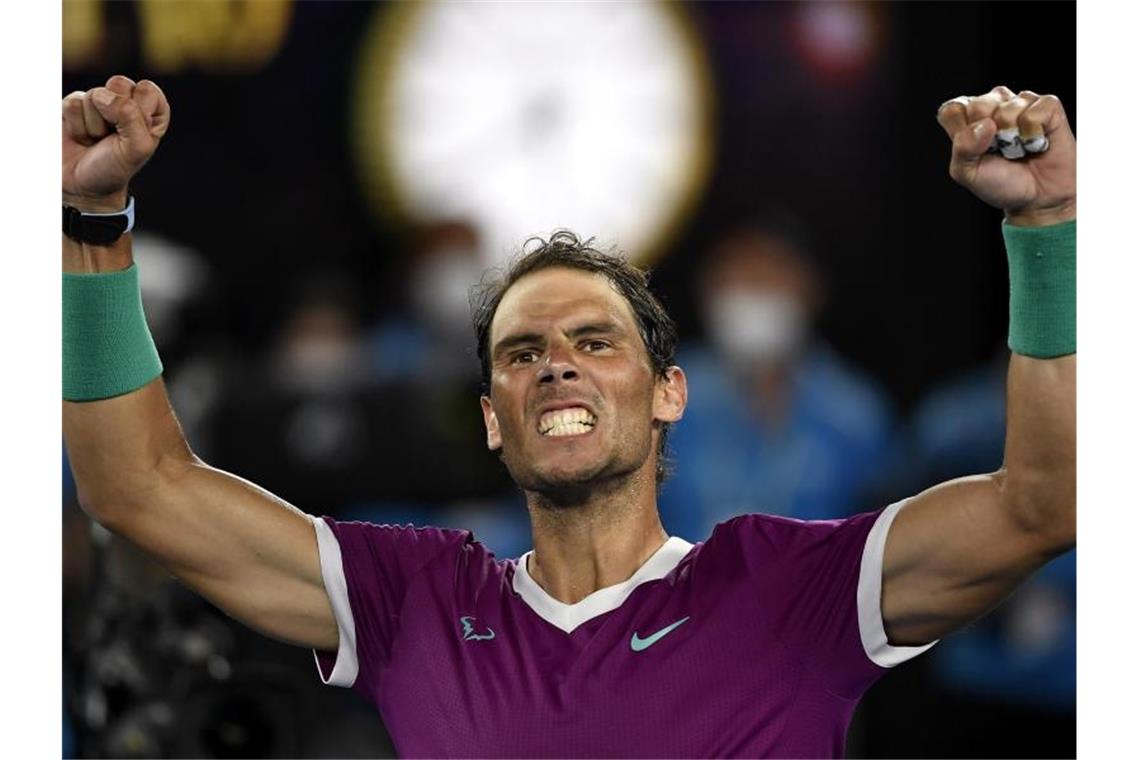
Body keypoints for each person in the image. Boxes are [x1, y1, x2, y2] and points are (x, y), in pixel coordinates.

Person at [62, 77, 1075, 757]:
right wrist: (91, 228)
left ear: (671, 391)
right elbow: (138, 486)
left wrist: (1044, 228)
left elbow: (1046, 500)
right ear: (494, 420)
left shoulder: (788, 589)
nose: (556, 367)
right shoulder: (415, 601)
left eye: (596, 342)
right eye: (522, 353)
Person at [660, 214, 900, 539]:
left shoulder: (855, 412)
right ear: (706, 290)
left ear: (812, 289)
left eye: (769, 277)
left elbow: (884, 532)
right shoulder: (663, 395)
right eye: (738, 277)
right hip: (683, 586)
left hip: (821, 587)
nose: (754, 292)